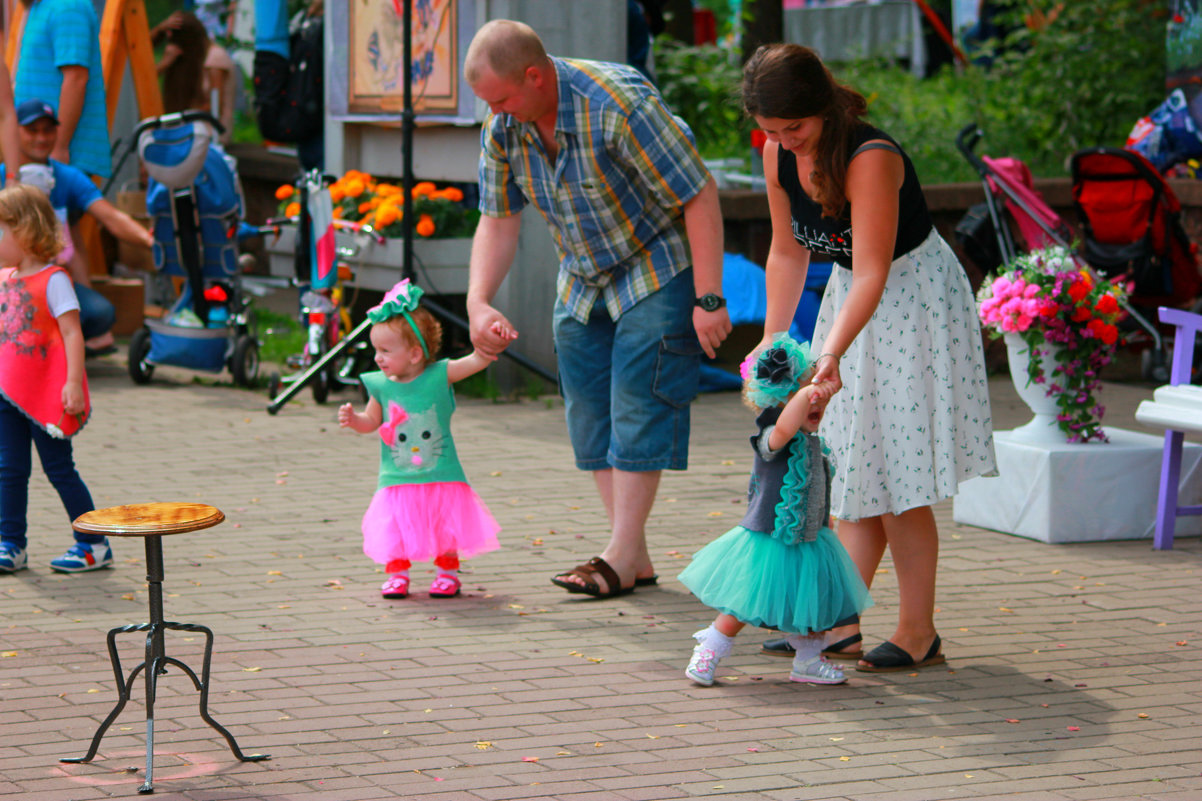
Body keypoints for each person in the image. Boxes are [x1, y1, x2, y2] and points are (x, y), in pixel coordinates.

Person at [741, 44, 995, 672]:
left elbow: (875, 271)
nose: (785, 142)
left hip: (910, 300)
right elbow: (787, 253)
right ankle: (839, 624)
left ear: (823, 109)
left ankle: (918, 631)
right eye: (771, 132)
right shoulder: (780, 153)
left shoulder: (870, 158)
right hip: (850, 300)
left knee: (899, 473)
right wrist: (776, 343)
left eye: (794, 128)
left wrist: (827, 355)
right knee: (853, 465)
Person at [463, 19, 732, 598]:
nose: (498, 114)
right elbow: (498, 218)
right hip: (583, 273)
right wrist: (478, 300)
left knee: (640, 399)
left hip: (656, 260)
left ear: (534, 76)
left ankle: (615, 557)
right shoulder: (503, 123)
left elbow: (698, 192)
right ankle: (632, 554)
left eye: (504, 98)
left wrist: (709, 299)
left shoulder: (618, 105)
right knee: (587, 412)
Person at [678, 334, 873, 687]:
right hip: (769, 537)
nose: (814, 404)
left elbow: (815, 489)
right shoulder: (771, 435)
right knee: (745, 600)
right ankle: (712, 645)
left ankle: (809, 660)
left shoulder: (813, 443)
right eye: (801, 395)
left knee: (812, 605)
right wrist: (805, 395)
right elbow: (784, 428)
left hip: (811, 538)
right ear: (777, 400)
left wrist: (824, 521)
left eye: (816, 399)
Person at [337, 279, 517, 599]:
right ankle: (397, 574)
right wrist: (355, 421)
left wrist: (490, 340)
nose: (378, 358)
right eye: (376, 350)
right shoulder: (381, 385)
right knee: (396, 528)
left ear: (415, 353)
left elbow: (477, 360)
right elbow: (372, 422)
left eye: (385, 351)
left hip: (441, 472)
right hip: (396, 477)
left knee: (444, 527)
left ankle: (447, 573)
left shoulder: (440, 375)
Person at [0, 183, 110, 574]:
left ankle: (93, 543)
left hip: (46, 394)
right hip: (8, 393)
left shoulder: (54, 280)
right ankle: (11, 543)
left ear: (25, 231)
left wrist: (72, 383)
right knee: (9, 469)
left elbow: (71, 333)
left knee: (59, 469)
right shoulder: (5, 277)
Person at [1, 99, 156, 356]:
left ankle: (58, 355)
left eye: (48, 130)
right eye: (32, 130)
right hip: (10, 280)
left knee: (93, 314)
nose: (41, 137)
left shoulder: (68, 178)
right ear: (15, 130)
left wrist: (150, 240)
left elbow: (111, 217)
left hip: (48, 276)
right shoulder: (5, 176)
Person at [13, 0, 112, 180]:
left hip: (58, 158)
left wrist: (58, 148)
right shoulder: (40, 6)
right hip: (39, 154)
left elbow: (76, 79)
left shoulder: (68, 5)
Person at [152, 10, 237, 143]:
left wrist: (179, 118)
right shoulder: (197, 57)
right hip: (194, 127)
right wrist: (160, 29)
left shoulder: (215, 58)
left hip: (212, 131)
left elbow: (215, 106)